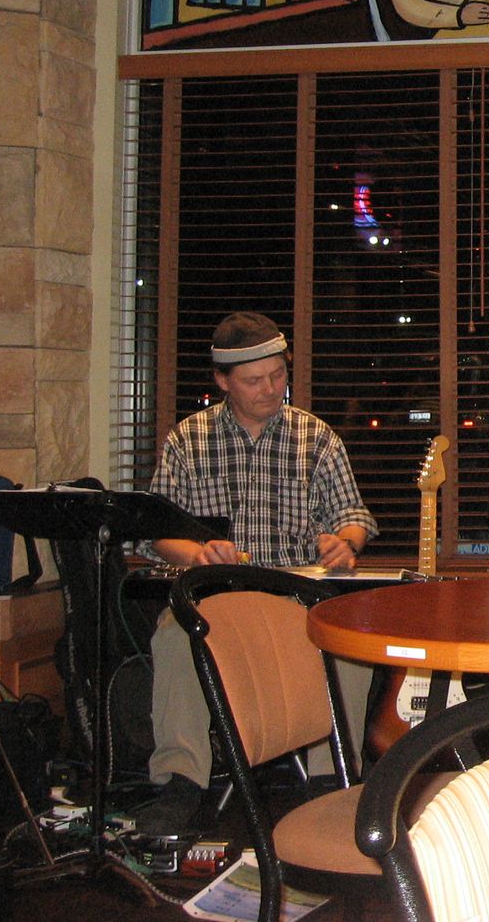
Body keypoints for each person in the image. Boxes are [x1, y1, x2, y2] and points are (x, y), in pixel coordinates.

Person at [133, 311, 378, 835]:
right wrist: (197, 554)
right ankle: (180, 782)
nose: (270, 388)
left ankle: (331, 781)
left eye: (278, 375)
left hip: (295, 597)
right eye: (254, 380)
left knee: (348, 644)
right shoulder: (187, 440)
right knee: (176, 635)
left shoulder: (315, 437)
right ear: (223, 381)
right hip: (214, 598)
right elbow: (156, 532)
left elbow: (353, 516)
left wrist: (344, 543)